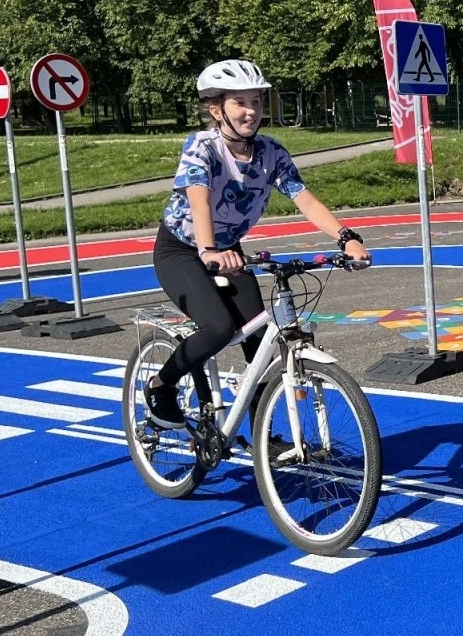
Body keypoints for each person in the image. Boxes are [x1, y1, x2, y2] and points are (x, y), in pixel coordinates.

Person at [144, 59, 372, 429]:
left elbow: (304, 198)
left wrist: (346, 238)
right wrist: (208, 251)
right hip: (183, 250)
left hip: (228, 251)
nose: (251, 111)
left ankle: (261, 435)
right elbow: (199, 200)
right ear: (217, 109)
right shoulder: (202, 147)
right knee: (218, 328)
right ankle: (161, 385)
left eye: (257, 101)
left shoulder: (272, 153)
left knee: (262, 340)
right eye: (240, 102)